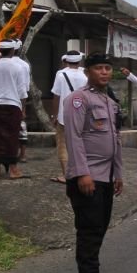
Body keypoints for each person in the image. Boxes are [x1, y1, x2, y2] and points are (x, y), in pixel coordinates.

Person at [64, 52, 124, 273]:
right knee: (88, 231)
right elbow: (74, 137)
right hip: (88, 177)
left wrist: (118, 173)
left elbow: (116, 139)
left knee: (99, 228)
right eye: (99, 68)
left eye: (108, 68)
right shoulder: (77, 99)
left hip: (107, 176)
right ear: (87, 71)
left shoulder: (109, 101)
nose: (104, 72)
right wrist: (82, 173)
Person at [0, 40, 28, 179]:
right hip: (13, 104)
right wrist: (23, 108)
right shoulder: (17, 67)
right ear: (13, 51)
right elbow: (22, 91)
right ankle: (13, 169)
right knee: (12, 137)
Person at [50, 51, 88, 184]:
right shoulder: (85, 74)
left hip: (64, 115)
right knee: (81, 144)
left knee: (62, 145)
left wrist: (54, 114)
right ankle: (82, 172)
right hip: (82, 115)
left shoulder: (60, 74)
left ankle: (66, 175)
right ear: (79, 60)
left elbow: (56, 96)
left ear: (66, 60)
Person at [11, 41, 31, 163]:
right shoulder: (24, 65)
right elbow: (26, 87)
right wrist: (23, 107)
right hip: (19, 99)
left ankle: (10, 154)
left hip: (4, 100)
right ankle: (23, 154)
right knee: (21, 126)